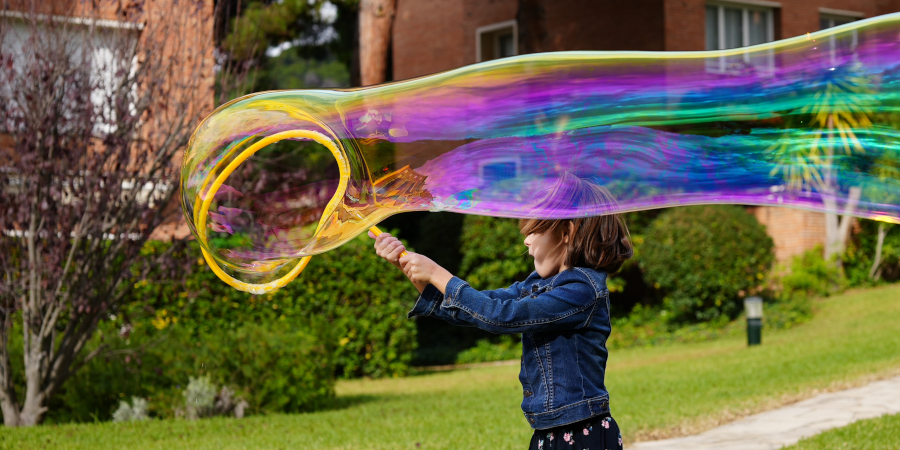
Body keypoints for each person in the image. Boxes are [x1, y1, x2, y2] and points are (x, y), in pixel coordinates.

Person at [369, 173, 633, 450]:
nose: (526, 241)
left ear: (567, 232)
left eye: (534, 230)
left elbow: (501, 315)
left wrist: (437, 273)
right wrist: (413, 271)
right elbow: (478, 308)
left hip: (582, 433)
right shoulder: (536, 284)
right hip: (548, 432)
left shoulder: (582, 290)